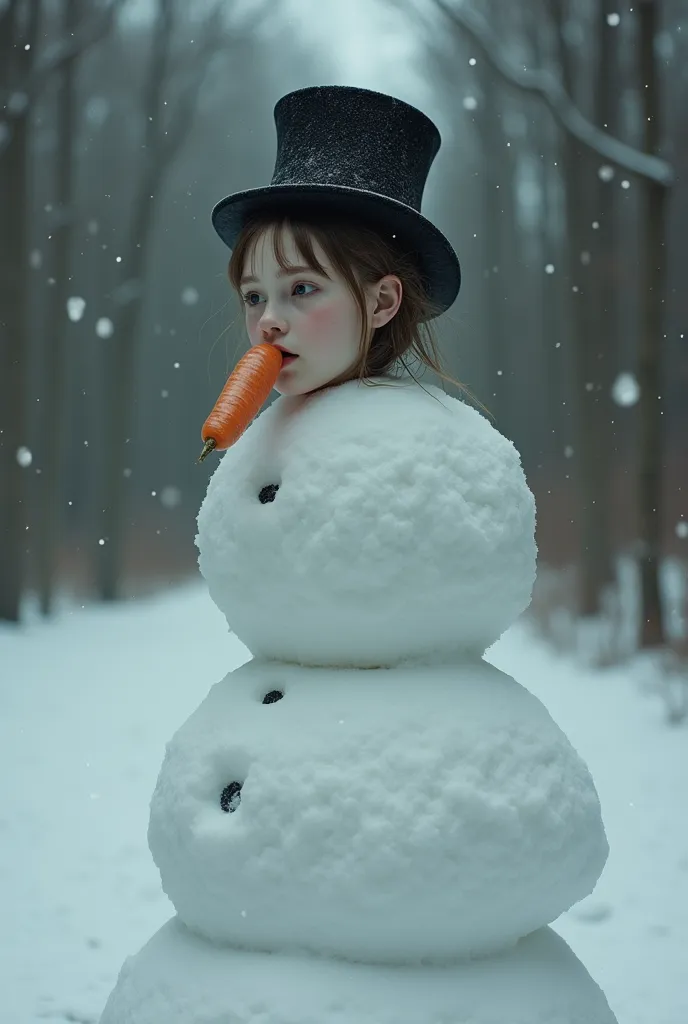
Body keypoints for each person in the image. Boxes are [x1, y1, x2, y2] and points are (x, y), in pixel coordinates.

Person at [209, 85, 465, 400]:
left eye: (301, 288)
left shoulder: (416, 444)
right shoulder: (266, 439)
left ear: (382, 301)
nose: (268, 321)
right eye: (253, 297)